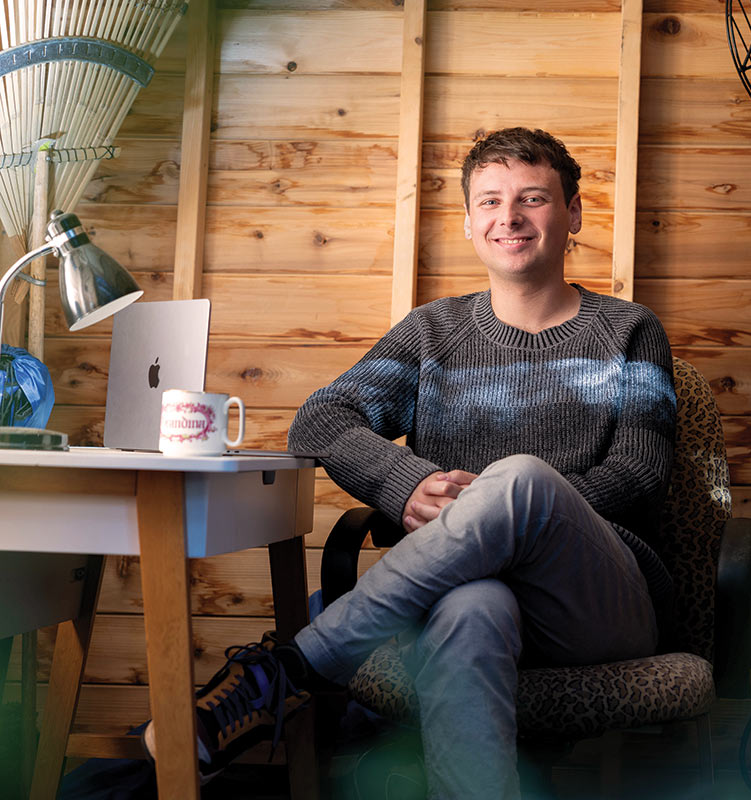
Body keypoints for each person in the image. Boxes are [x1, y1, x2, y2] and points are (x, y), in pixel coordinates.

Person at [142, 127, 677, 799]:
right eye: (489, 201)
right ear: (468, 222)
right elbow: (322, 418)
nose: (508, 217)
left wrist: (507, 503)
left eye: (532, 198)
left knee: (522, 480)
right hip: (469, 593)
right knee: (473, 607)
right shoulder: (431, 333)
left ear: (571, 215)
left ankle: (295, 668)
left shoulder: (630, 331)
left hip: (599, 602)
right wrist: (406, 482)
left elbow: (639, 474)